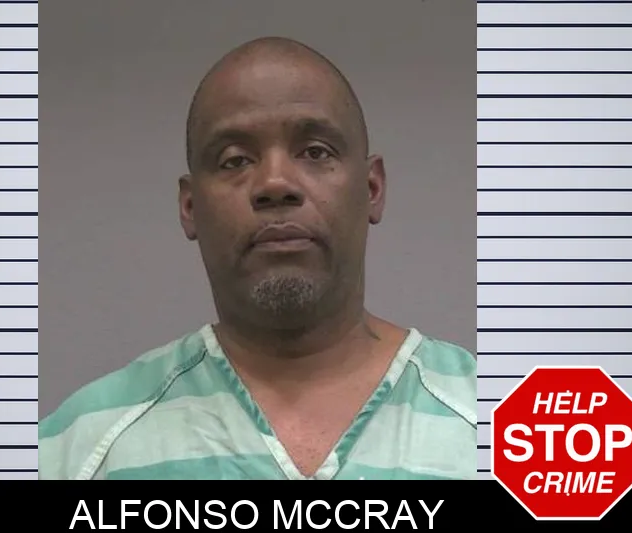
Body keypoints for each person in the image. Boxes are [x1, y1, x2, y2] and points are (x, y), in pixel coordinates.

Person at [38, 37, 477, 480]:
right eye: (234, 160)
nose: (275, 183)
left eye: (315, 152)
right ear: (190, 207)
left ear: (371, 189)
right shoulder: (77, 450)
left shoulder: (502, 429)